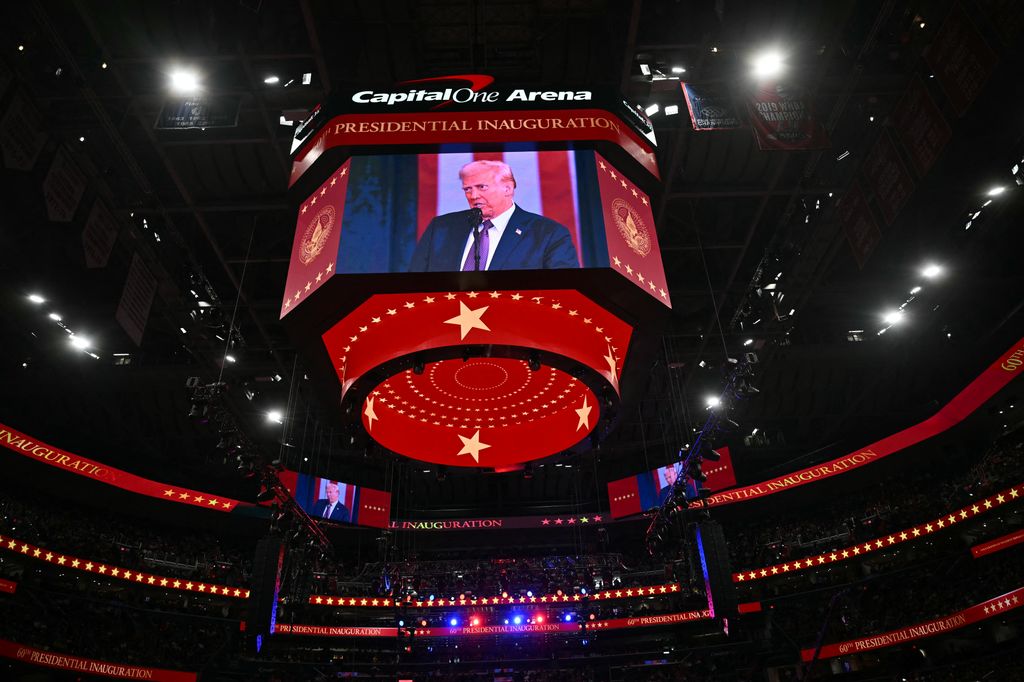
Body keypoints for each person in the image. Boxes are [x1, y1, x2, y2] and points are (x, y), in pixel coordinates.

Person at [409, 160, 580, 272]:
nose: (473, 195)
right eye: (467, 189)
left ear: (508, 189)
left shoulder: (548, 234)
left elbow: (564, 289)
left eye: (481, 187)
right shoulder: (441, 228)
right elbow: (414, 282)